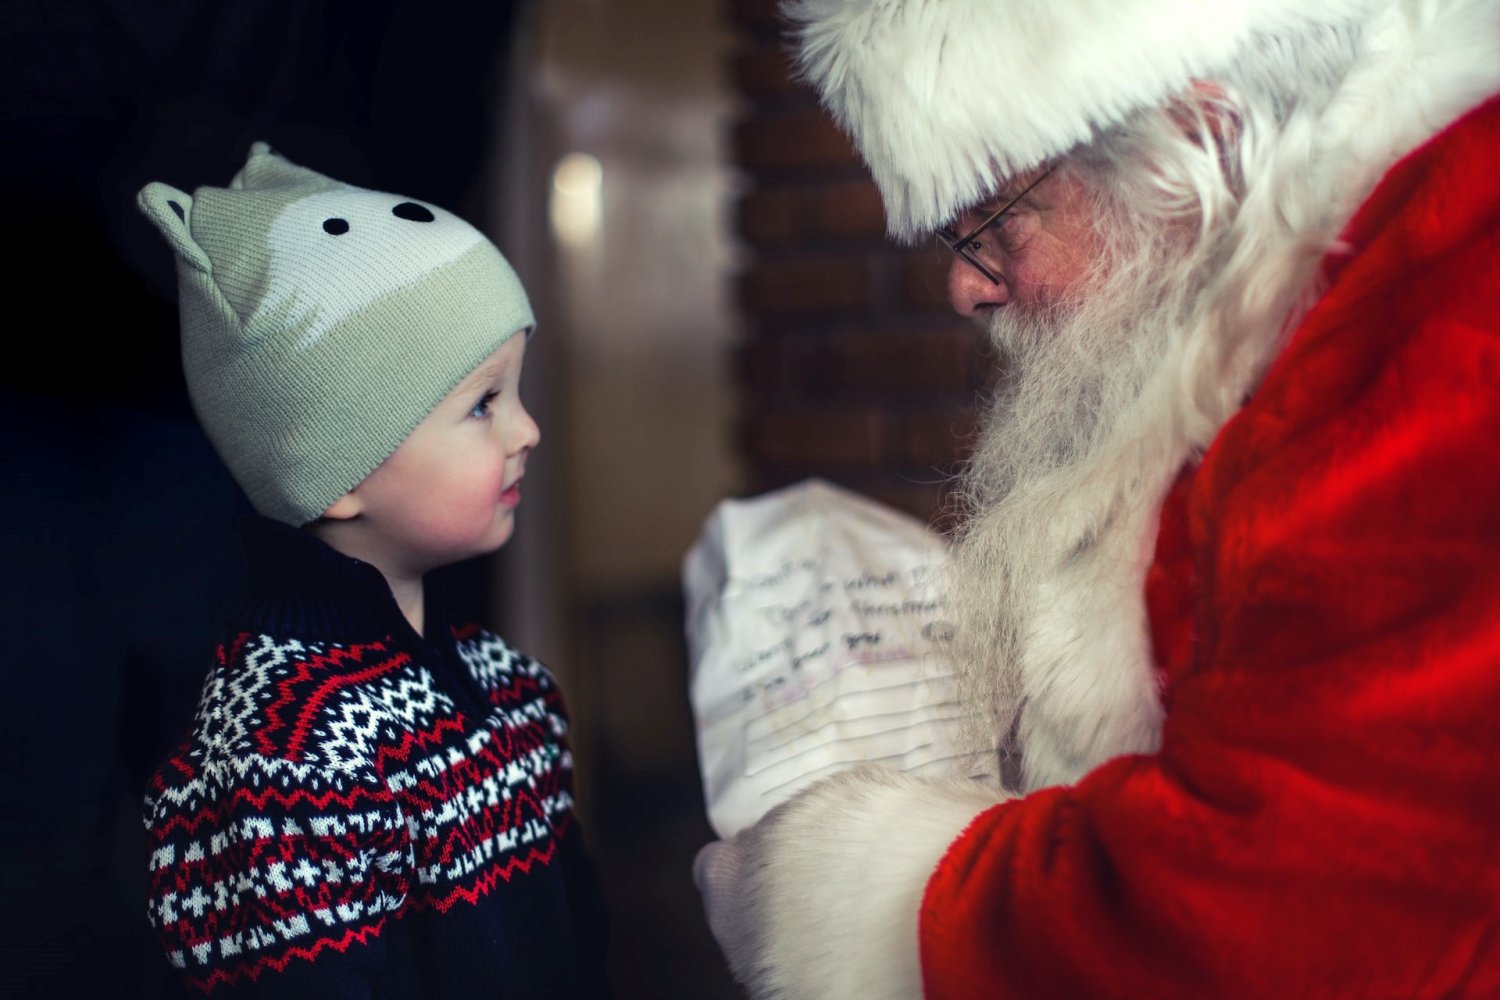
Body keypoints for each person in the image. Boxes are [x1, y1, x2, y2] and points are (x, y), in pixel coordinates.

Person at [693, 0, 1500, 996]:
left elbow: (1288, 912)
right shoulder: (1308, 296)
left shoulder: (1453, 309)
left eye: (992, 224)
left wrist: (859, 897)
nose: (967, 288)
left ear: (1198, 140)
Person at [136, 143, 610, 997]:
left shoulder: (513, 692)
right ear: (339, 470)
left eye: (517, 393)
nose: (526, 431)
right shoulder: (277, 764)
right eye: (483, 403)